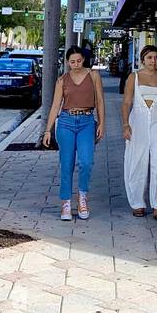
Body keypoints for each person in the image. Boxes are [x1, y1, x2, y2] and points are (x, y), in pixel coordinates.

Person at [41, 46, 106, 221]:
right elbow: (55, 106)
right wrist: (48, 130)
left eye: (78, 60)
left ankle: (82, 197)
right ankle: (66, 203)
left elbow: (99, 100)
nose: (76, 64)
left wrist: (102, 123)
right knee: (67, 164)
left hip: (86, 122)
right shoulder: (62, 80)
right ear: (67, 62)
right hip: (66, 122)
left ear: (83, 59)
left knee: (86, 162)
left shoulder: (93, 76)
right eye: (72, 62)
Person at [121, 45, 157, 223]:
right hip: (137, 121)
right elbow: (126, 102)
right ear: (143, 60)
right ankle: (137, 203)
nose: (153, 61)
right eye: (149, 58)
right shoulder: (134, 77)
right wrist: (125, 125)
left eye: (156, 57)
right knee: (136, 161)